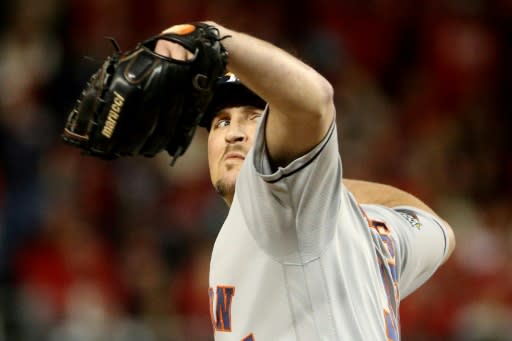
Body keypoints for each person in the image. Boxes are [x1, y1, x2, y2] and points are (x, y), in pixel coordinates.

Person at [155, 22, 456, 341]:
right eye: (222, 122)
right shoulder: (362, 229)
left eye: (255, 117)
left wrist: (210, 37)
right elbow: (435, 228)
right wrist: (314, 184)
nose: (234, 134)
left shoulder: (273, 213)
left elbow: (314, 101)